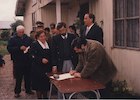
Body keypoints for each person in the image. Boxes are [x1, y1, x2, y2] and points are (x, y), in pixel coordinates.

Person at [7, 25, 34, 98]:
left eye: (22, 32)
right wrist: (19, 48)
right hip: (18, 61)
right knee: (18, 78)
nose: (21, 33)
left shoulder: (28, 38)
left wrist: (28, 49)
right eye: (20, 32)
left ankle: (28, 89)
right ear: (17, 32)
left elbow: (32, 46)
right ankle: (17, 92)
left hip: (27, 60)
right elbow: (9, 49)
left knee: (28, 76)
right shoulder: (12, 39)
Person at [30, 30, 52, 99]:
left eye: (44, 36)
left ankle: (45, 97)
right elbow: (31, 55)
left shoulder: (48, 44)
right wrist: (41, 60)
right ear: (37, 37)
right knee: (39, 86)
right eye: (41, 37)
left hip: (47, 67)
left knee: (45, 85)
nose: (43, 38)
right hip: (37, 68)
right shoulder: (34, 44)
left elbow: (51, 54)